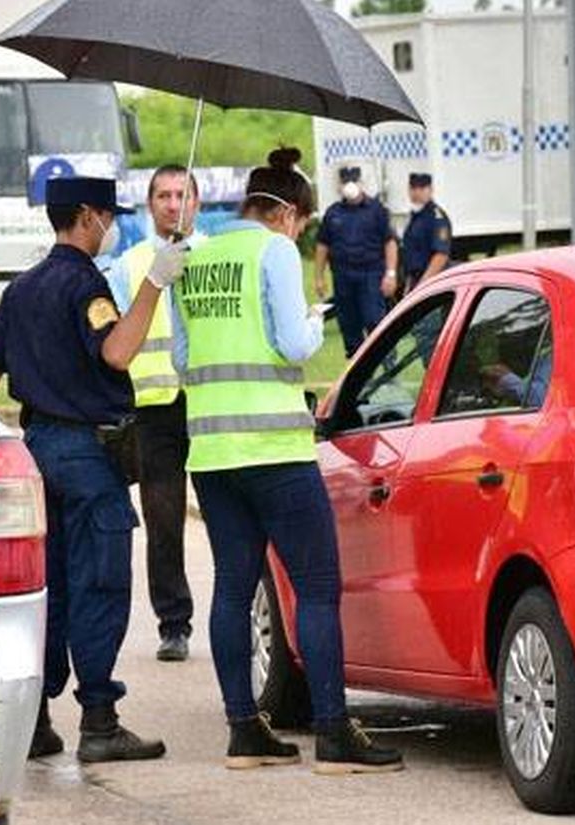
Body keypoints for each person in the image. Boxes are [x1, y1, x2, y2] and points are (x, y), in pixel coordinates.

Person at [171, 148, 404, 774]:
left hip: (213, 450)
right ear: (285, 213)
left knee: (231, 588)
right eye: (300, 223)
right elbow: (293, 343)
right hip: (275, 447)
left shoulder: (190, 255)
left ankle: (244, 731)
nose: (299, 233)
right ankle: (333, 734)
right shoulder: (272, 251)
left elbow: (182, 360)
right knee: (319, 588)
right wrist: (311, 318)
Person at [0, 176, 186, 764]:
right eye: (107, 216)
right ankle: (99, 720)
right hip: (89, 459)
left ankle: (35, 722)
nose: (111, 226)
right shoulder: (85, 283)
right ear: (87, 217)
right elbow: (117, 352)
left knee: (45, 590)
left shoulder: (20, 289)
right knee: (98, 585)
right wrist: (153, 284)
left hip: (36, 452)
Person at [106, 165, 199, 663]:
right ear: (150, 205)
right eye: (162, 195)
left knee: (230, 519)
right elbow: (120, 336)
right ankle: (174, 623)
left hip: (206, 403)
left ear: (197, 202)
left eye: (181, 194)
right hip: (154, 408)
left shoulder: (212, 255)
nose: (172, 204)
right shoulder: (132, 263)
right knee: (163, 520)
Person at [314, 165, 398, 357]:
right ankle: (355, 371)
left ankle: (389, 367)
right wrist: (319, 277)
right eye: (345, 181)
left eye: (353, 180)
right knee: (349, 325)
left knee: (374, 320)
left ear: (361, 183)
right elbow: (322, 246)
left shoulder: (377, 210)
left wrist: (391, 273)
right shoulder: (333, 212)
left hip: (371, 275)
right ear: (339, 185)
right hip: (342, 276)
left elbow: (390, 242)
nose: (349, 184)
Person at [400, 172, 452, 292]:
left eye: (422, 188)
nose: (417, 193)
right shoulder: (415, 216)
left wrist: (423, 285)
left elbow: (441, 255)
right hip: (415, 278)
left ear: (431, 190)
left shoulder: (437, 217)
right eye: (413, 188)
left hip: (432, 280)